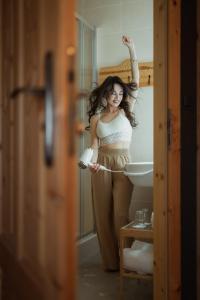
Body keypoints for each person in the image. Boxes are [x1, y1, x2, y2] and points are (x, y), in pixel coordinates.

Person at [87, 36, 139, 271]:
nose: (117, 97)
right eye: (113, 93)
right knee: (102, 215)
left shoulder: (127, 111)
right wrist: (91, 163)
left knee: (120, 213)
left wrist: (132, 49)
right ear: (105, 95)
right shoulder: (96, 117)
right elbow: (94, 146)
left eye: (120, 93)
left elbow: (136, 80)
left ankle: (125, 260)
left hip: (122, 163)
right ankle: (111, 263)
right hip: (101, 165)